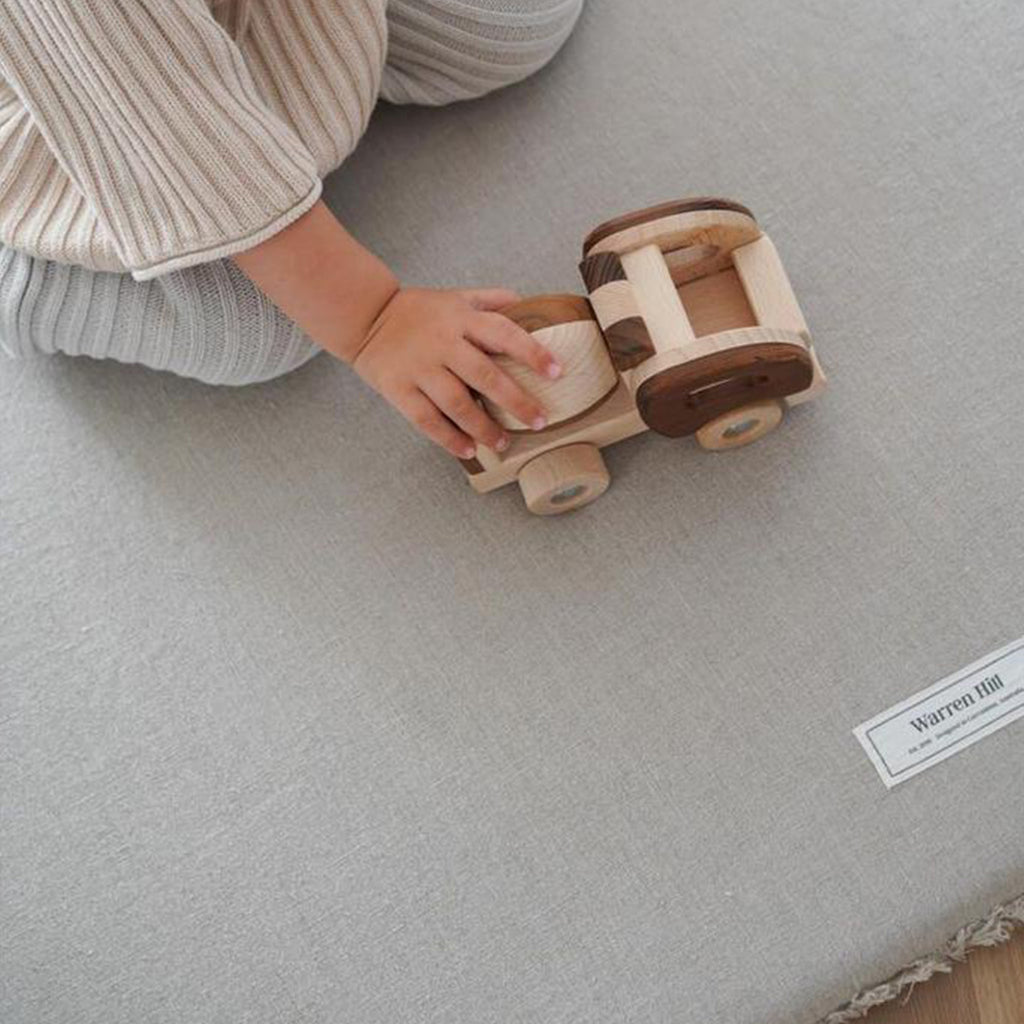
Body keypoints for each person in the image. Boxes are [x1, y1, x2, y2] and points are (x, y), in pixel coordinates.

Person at [0, 0, 585, 460]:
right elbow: (154, 103)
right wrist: (373, 321)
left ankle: (281, 150)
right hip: (92, 107)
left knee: (515, 23)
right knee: (258, 322)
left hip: (268, 22)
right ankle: (22, 279)